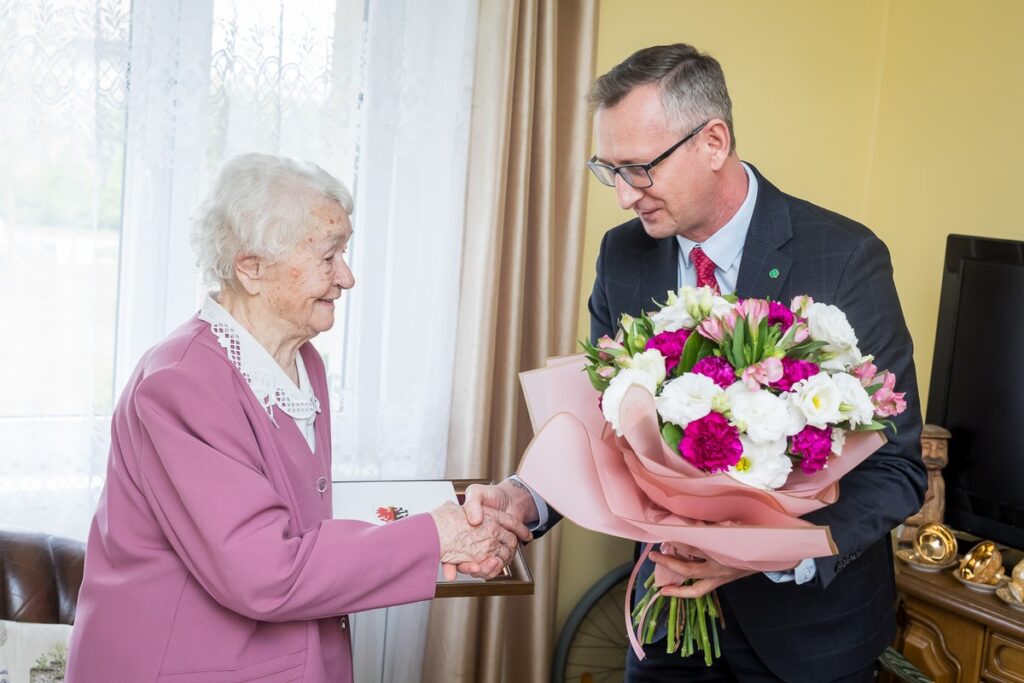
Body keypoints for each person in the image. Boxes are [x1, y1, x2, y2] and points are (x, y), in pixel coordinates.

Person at [464, 44, 927, 682]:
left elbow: (897, 469)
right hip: (667, 623)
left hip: (808, 640)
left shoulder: (844, 257)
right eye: (610, 170)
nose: (624, 197)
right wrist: (524, 501)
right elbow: (601, 430)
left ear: (713, 141)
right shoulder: (623, 256)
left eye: (638, 169)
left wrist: (767, 553)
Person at [66, 153, 529, 683]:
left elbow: (298, 522)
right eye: (329, 256)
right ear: (250, 266)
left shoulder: (301, 359)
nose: (347, 277)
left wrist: (450, 530)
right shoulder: (181, 382)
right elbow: (261, 570)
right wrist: (434, 537)